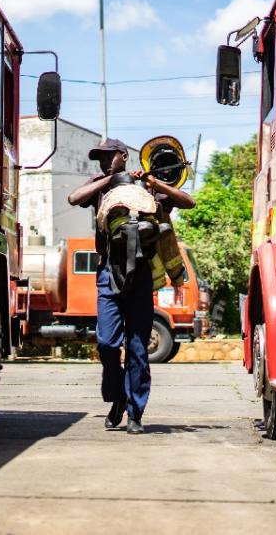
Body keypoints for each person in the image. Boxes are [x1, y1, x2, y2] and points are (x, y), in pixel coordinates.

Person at [67, 138, 195, 434]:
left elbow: (189, 202)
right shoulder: (102, 184)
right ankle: (119, 396)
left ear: (123, 156)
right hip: (108, 273)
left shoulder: (147, 188)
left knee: (137, 348)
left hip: (141, 276)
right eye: (100, 157)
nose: (103, 161)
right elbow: (74, 198)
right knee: (107, 343)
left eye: (109, 157)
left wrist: (155, 184)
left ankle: (135, 413)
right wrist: (111, 179)